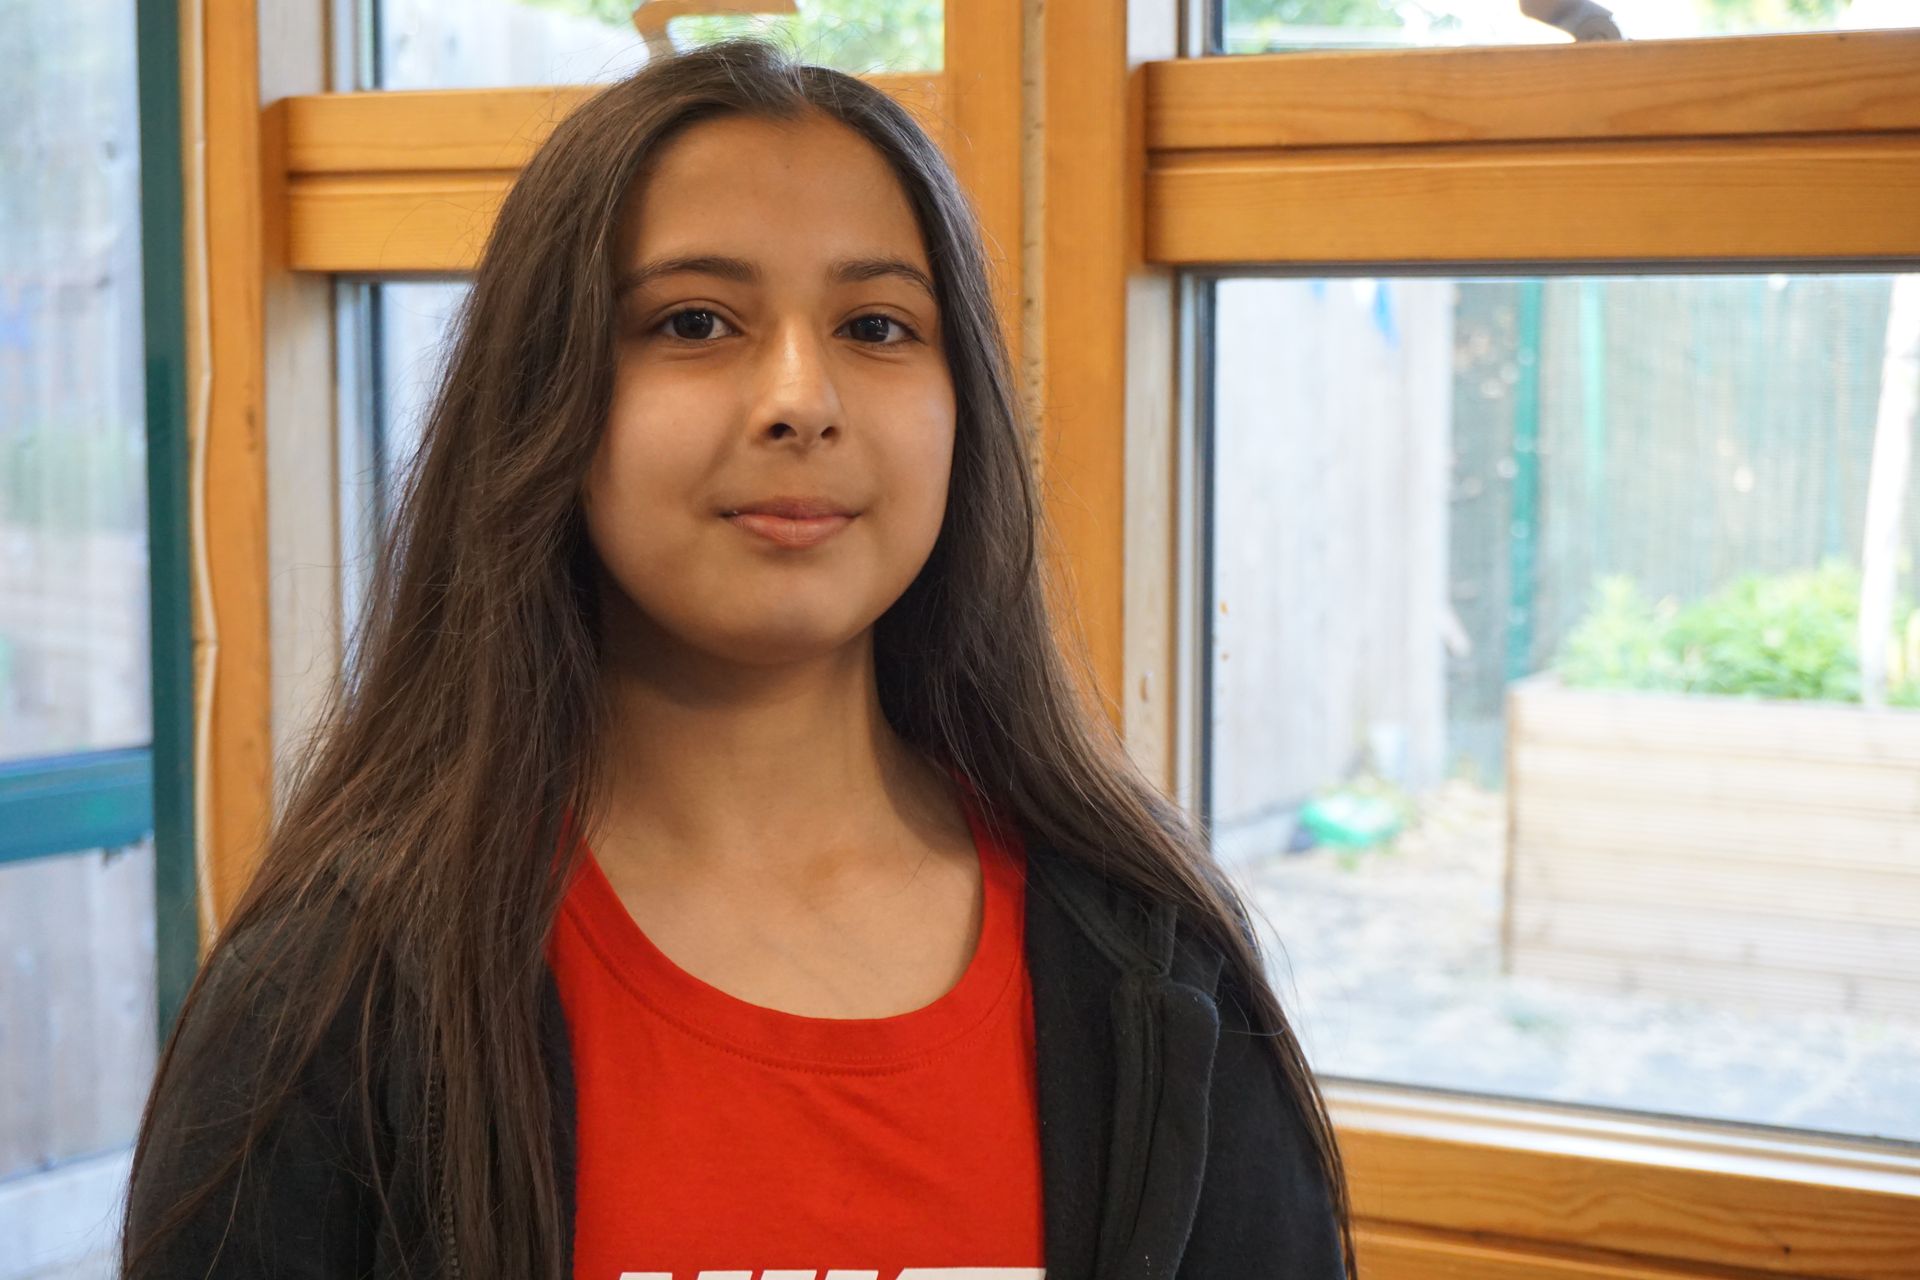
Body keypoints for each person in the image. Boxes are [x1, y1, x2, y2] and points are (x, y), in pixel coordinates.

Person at [121, 37, 1353, 1280]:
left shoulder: (1147, 962)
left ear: (961, 409)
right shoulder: (334, 994)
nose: (800, 397)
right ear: (545, 395)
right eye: (694, 321)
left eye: (877, 324)